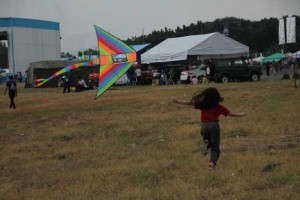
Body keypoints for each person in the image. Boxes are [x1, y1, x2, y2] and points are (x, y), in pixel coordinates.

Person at [172, 87, 246, 169]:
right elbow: (230, 114)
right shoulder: (219, 107)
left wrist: (177, 101)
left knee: (207, 139)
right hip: (214, 126)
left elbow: (190, 103)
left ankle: (206, 144)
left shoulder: (203, 105)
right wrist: (241, 114)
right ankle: (212, 163)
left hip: (204, 126)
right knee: (215, 147)